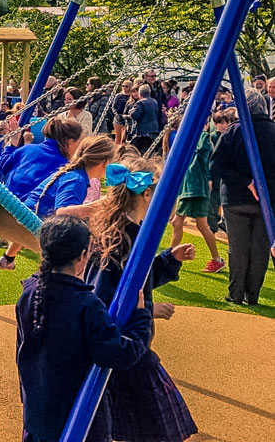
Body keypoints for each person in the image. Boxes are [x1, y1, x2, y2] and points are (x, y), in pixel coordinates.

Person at [85, 157, 197, 441]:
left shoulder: (123, 231)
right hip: (126, 344)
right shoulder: (125, 238)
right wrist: (146, 310)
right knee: (157, 426)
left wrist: (169, 260)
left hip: (125, 343)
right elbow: (104, 294)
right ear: (147, 193)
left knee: (130, 425)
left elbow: (136, 279)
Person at [16, 215, 151, 442]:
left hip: (38, 407)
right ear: (82, 256)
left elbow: (22, 350)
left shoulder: (30, 293)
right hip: (76, 415)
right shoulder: (85, 304)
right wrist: (141, 318)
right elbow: (118, 354)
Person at [0, 135, 115, 271]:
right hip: (39, 227)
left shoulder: (72, 173)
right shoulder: (76, 179)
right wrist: (103, 203)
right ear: (105, 163)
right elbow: (63, 213)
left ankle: (8, 258)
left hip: (26, 221)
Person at [210, 89, 275, 305]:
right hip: (267, 200)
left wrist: (244, 181)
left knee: (238, 247)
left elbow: (216, 164)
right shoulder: (272, 131)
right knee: (260, 249)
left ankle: (236, 293)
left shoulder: (233, 131)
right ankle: (252, 294)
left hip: (235, 197)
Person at [170, 120, 224, 272]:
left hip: (195, 187)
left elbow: (203, 155)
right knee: (195, 224)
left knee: (181, 222)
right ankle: (216, 259)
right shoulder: (194, 137)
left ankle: (171, 257)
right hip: (192, 186)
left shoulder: (202, 137)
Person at [127, 84, 160, 154]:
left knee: (138, 151)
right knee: (150, 151)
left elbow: (135, 115)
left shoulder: (140, 103)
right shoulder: (154, 101)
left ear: (140, 94)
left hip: (143, 131)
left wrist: (130, 111)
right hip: (154, 129)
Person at [113, 80, 133, 145]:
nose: (124, 87)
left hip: (127, 118)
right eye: (123, 86)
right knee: (118, 138)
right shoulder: (118, 96)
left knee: (124, 138)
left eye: (126, 86)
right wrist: (116, 115)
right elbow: (113, 107)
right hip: (118, 119)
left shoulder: (132, 96)